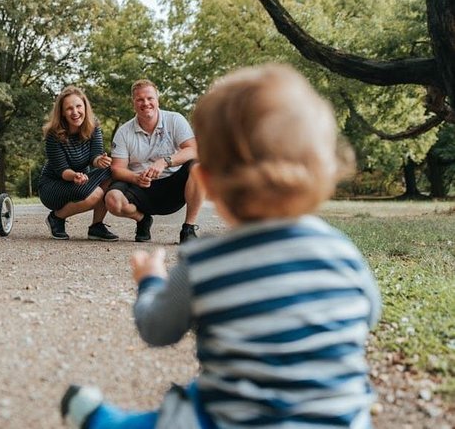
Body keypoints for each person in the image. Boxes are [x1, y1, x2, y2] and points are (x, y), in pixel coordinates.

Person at [60, 64, 382, 428]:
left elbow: (156, 329)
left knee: (182, 413)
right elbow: (369, 313)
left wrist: (151, 280)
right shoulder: (342, 252)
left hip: (232, 419)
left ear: (208, 183)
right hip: (338, 421)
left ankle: (107, 422)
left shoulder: (205, 262)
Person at [104, 79, 204, 244]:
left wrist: (165, 161)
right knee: (112, 200)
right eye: (140, 99)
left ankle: (188, 229)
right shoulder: (123, 132)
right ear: (133, 103)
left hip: (174, 186)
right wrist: (136, 178)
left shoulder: (175, 119)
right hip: (141, 187)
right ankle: (142, 219)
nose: (146, 103)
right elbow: (117, 169)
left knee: (199, 166)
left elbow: (193, 149)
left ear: (157, 100)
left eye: (150, 98)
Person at [39, 86, 118, 241]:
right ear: (62, 112)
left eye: (78, 106)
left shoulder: (93, 127)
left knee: (113, 169)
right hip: (53, 185)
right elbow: (62, 170)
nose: (75, 112)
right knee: (95, 194)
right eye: (69, 108)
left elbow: (94, 156)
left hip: (82, 181)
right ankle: (56, 218)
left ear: (85, 107)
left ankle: (96, 226)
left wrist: (99, 161)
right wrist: (75, 175)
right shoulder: (53, 134)